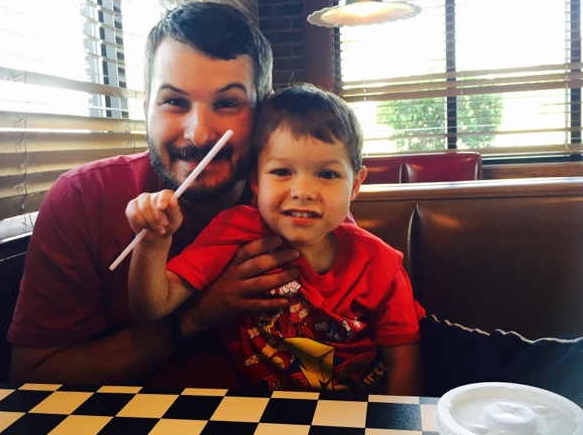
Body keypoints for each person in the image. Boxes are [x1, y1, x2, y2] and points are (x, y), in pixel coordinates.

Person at [7, 1, 301, 386]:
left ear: (263, 111)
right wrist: (194, 317)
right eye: (175, 102)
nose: (199, 134)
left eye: (228, 103)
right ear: (146, 107)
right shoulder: (83, 198)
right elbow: (33, 376)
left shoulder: (301, 193)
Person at [126, 83, 425, 395]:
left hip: (365, 408)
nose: (302, 191)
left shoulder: (380, 263)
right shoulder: (234, 231)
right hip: (264, 411)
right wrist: (153, 241)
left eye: (327, 174)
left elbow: (403, 357)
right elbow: (152, 307)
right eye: (282, 171)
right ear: (255, 181)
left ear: (355, 185)